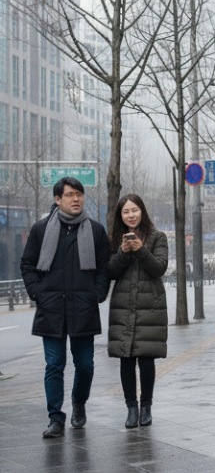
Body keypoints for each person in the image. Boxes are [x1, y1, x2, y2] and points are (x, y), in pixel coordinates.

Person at [20, 177, 110, 438]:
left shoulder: (95, 231)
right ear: (57, 199)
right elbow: (27, 265)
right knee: (54, 365)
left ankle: (79, 401)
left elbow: (104, 268)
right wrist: (38, 293)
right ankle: (55, 418)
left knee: (85, 366)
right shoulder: (41, 230)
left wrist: (97, 294)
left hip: (83, 308)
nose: (76, 199)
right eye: (70, 195)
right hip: (51, 309)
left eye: (79, 194)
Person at [106, 194, 169, 429]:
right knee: (126, 358)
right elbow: (110, 271)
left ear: (142, 211)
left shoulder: (157, 237)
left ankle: (146, 407)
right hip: (123, 304)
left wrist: (141, 250)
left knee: (146, 358)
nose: (131, 215)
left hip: (149, 304)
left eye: (135, 210)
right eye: (126, 212)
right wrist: (123, 252)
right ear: (120, 216)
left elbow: (159, 268)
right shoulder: (114, 239)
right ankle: (131, 407)